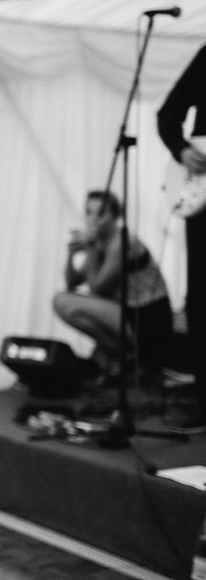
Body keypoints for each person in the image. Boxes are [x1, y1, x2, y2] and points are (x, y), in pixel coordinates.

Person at [52, 190, 172, 380]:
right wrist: (71, 254)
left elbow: (98, 288)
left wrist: (90, 248)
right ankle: (121, 354)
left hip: (148, 318)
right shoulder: (101, 242)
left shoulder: (122, 243)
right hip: (129, 312)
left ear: (116, 216)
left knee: (63, 302)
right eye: (88, 212)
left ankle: (126, 354)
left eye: (101, 213)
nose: (93, 219)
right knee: (62, 301)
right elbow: (71, 283)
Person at [158, 43, 206, 432]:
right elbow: (168, 114)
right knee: (200, 296)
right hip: (202, 196)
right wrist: (182, 149)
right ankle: (202, 401)